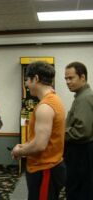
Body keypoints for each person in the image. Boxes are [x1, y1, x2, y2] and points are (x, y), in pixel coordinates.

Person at [11, 61, 66, 200]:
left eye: (27, 80)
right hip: (48, 168)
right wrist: (23, 146)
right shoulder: (54, 100)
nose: (27, 85)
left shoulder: (45, 106)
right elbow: (41, 139)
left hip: (44, 169)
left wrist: (19, 151)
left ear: (35, 79)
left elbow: (40, 145)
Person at [64, 61, 93, 200]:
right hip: (81, 153)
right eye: (66, 79)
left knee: (78, 192)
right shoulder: (81, 96)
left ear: (82, 77)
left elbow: (82, 131)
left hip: (81, 153)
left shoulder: (84, 98)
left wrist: (59, 133)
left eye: (71, 78)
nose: (68, 82)